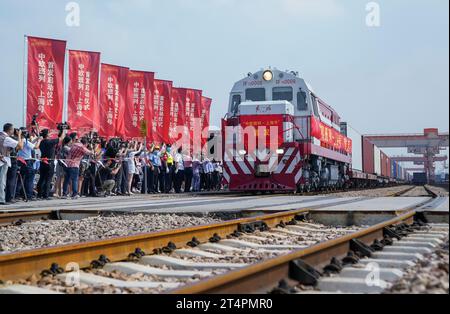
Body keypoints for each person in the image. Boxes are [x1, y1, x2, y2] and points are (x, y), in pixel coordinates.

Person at [37, 129, 65, 200]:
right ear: (47, 135)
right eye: (49, 133)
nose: (50, 134)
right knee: (48, 179)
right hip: (49, 163)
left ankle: (39, 194)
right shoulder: (50, 142)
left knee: (42, 178)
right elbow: (61, 138)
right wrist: (63, 129)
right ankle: (46, 195)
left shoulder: (41, 142)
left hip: (43, 162)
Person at [0, 123, 24, 205]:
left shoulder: (0, 136)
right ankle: (1, 199)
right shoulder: (6, 138)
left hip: (3, 160)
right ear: (10, 130)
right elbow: (20, 146)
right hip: (3, 162)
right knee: (2, 181)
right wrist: (20, 135)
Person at [17, 129, 42, 201]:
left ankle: (21, 195)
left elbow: (30, 144)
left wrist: (37, 138)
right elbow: (36, 147)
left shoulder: (21, 141)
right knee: (30, 179)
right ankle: (29, 195)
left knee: (22, 179)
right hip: (28, 162)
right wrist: (39, 140)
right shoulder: (25, 140)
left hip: (21, 161)